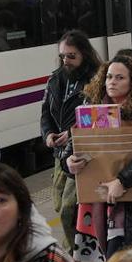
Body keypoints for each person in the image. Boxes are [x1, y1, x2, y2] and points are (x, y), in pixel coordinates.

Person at [66, 55, 132, 261]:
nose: (112, 82)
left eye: (120, 78)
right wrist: (69, 162)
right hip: (95, 203)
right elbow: (71, 148)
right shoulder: (89, 109)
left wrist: (122, 181)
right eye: (109, 76)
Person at [40, 31, 102, 245]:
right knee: (59, 204)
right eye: (63, 56)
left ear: (84, 54)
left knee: (67, 208)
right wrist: (48, 134)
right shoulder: (55, 79)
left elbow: (98, 115)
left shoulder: (96, 81)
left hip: (82, 153)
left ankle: (72, 253)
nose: (66, 61)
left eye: (71, 56)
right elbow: (45, 112)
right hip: (60, 154)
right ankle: (81, 242)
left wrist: (72, 133)